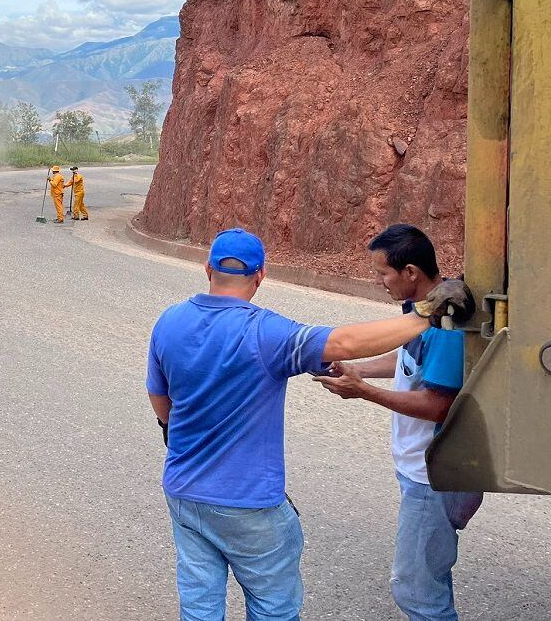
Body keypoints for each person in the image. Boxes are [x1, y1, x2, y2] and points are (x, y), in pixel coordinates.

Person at [146, 228, 473, 621]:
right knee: (273, 606)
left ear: (207, 269)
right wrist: (426, 314)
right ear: (261, 274)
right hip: (249, 503)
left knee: (199, 604)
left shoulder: (169, 322)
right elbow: (346, 342)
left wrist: (175, 434)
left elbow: (160, 401)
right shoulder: (266, 333)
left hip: (184, 491)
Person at [316, 224, 482, 621]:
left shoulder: (445, 328)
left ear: (410, 272)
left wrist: (363, 392)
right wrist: (357, 370)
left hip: (433, 478)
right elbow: (406, 361)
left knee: (416, 592)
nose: (379, 282)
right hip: (424, 473)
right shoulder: (423, 312)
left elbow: (438, 404)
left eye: (382, 273)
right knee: (429, 578)